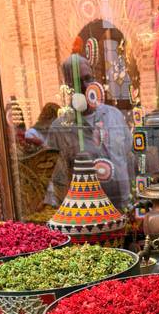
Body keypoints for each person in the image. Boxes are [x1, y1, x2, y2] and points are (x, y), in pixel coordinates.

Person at [45, 55, 133, 211]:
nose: (86, 86)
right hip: (90, 214)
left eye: (88, 79)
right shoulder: (60, 128)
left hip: (124, 208)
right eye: (79, 82)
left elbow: (129, 156)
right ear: (68, 86)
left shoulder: (115, 115)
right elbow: (57, 181)